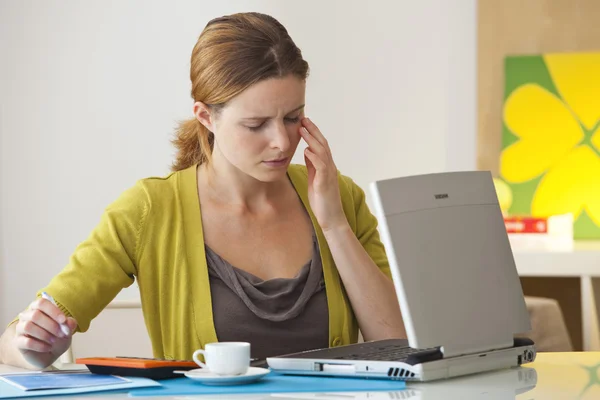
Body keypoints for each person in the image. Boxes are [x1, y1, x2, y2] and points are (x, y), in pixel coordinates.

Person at [0, 12, 405, 370]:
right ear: (205, 116)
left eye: (293, 117)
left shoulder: (339, 198)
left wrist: (333, 223)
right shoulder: (148, 211)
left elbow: (399, 341)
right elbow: (16, 342)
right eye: (256, 124)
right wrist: (34, 346)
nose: (282, 141)